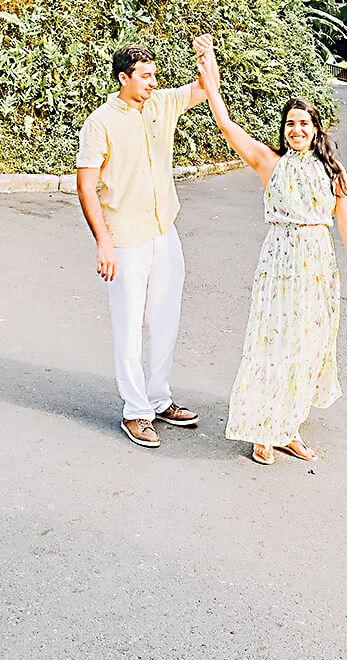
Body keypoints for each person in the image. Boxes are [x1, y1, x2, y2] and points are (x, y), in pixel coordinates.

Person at [196, 40, 347, 466]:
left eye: (304, 124)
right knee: (272, 343)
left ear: (315, 129)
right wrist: (210, 66)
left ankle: (287, 425)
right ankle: (263, 429)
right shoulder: (269, 164)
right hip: (280, 262)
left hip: (319, 263)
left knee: (308, 346)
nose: (297, 130)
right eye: (291, 123)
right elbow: (226, 124)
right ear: (284, 129)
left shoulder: (334, 171)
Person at [74, 39, 214, 449]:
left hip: (163, 230)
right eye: (146, 76)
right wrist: (104, 244)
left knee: (166, 319)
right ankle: (135, 411)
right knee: (129, 326)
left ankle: (159, 398)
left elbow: (205, 89)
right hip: (125, 239)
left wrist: (208, 59)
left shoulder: (160, 105)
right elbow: (85, 187)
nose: (154, 82)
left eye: (155, 75)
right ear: (124, 78)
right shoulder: (100, 123)